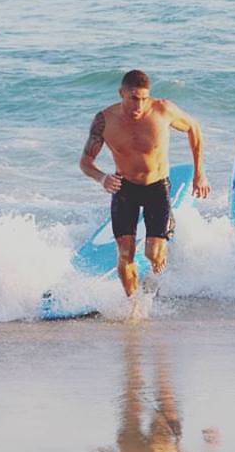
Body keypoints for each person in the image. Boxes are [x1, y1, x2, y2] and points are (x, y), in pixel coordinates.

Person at [79, 70, 210, 301]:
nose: (138, 105)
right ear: (121, 94)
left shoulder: (163, 110)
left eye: (143, 98)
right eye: (133, 98)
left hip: (156, 187)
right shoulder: (105, 121)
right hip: (124, 188)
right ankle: (134, 304)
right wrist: (102, 178)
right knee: (125, 254)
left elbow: (194, 128)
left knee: (153, 254)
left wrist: (200, 173)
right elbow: (86, 162)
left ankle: (161, 249)